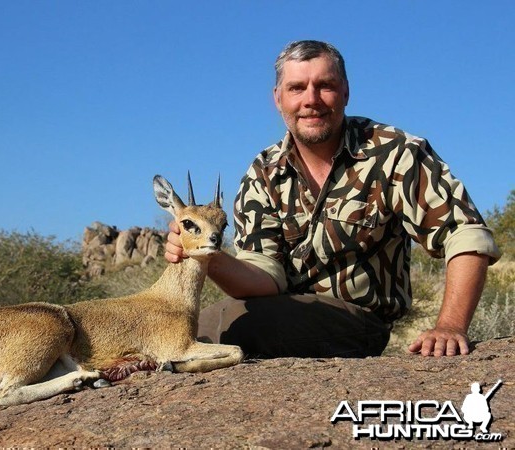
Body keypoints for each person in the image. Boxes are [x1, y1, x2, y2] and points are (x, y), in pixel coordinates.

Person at [165, 40, 501, 358]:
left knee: (219, 329)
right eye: (297, 88)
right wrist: (206, 255)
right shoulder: (263, 172)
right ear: (278, 98)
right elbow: (264, 277)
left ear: (345, 92)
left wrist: (449, 327)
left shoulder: (395, 153)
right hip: (282, 311)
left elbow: (464, 235)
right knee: (188, 323)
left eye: (324, 85)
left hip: (359, 320)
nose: (311, 99)